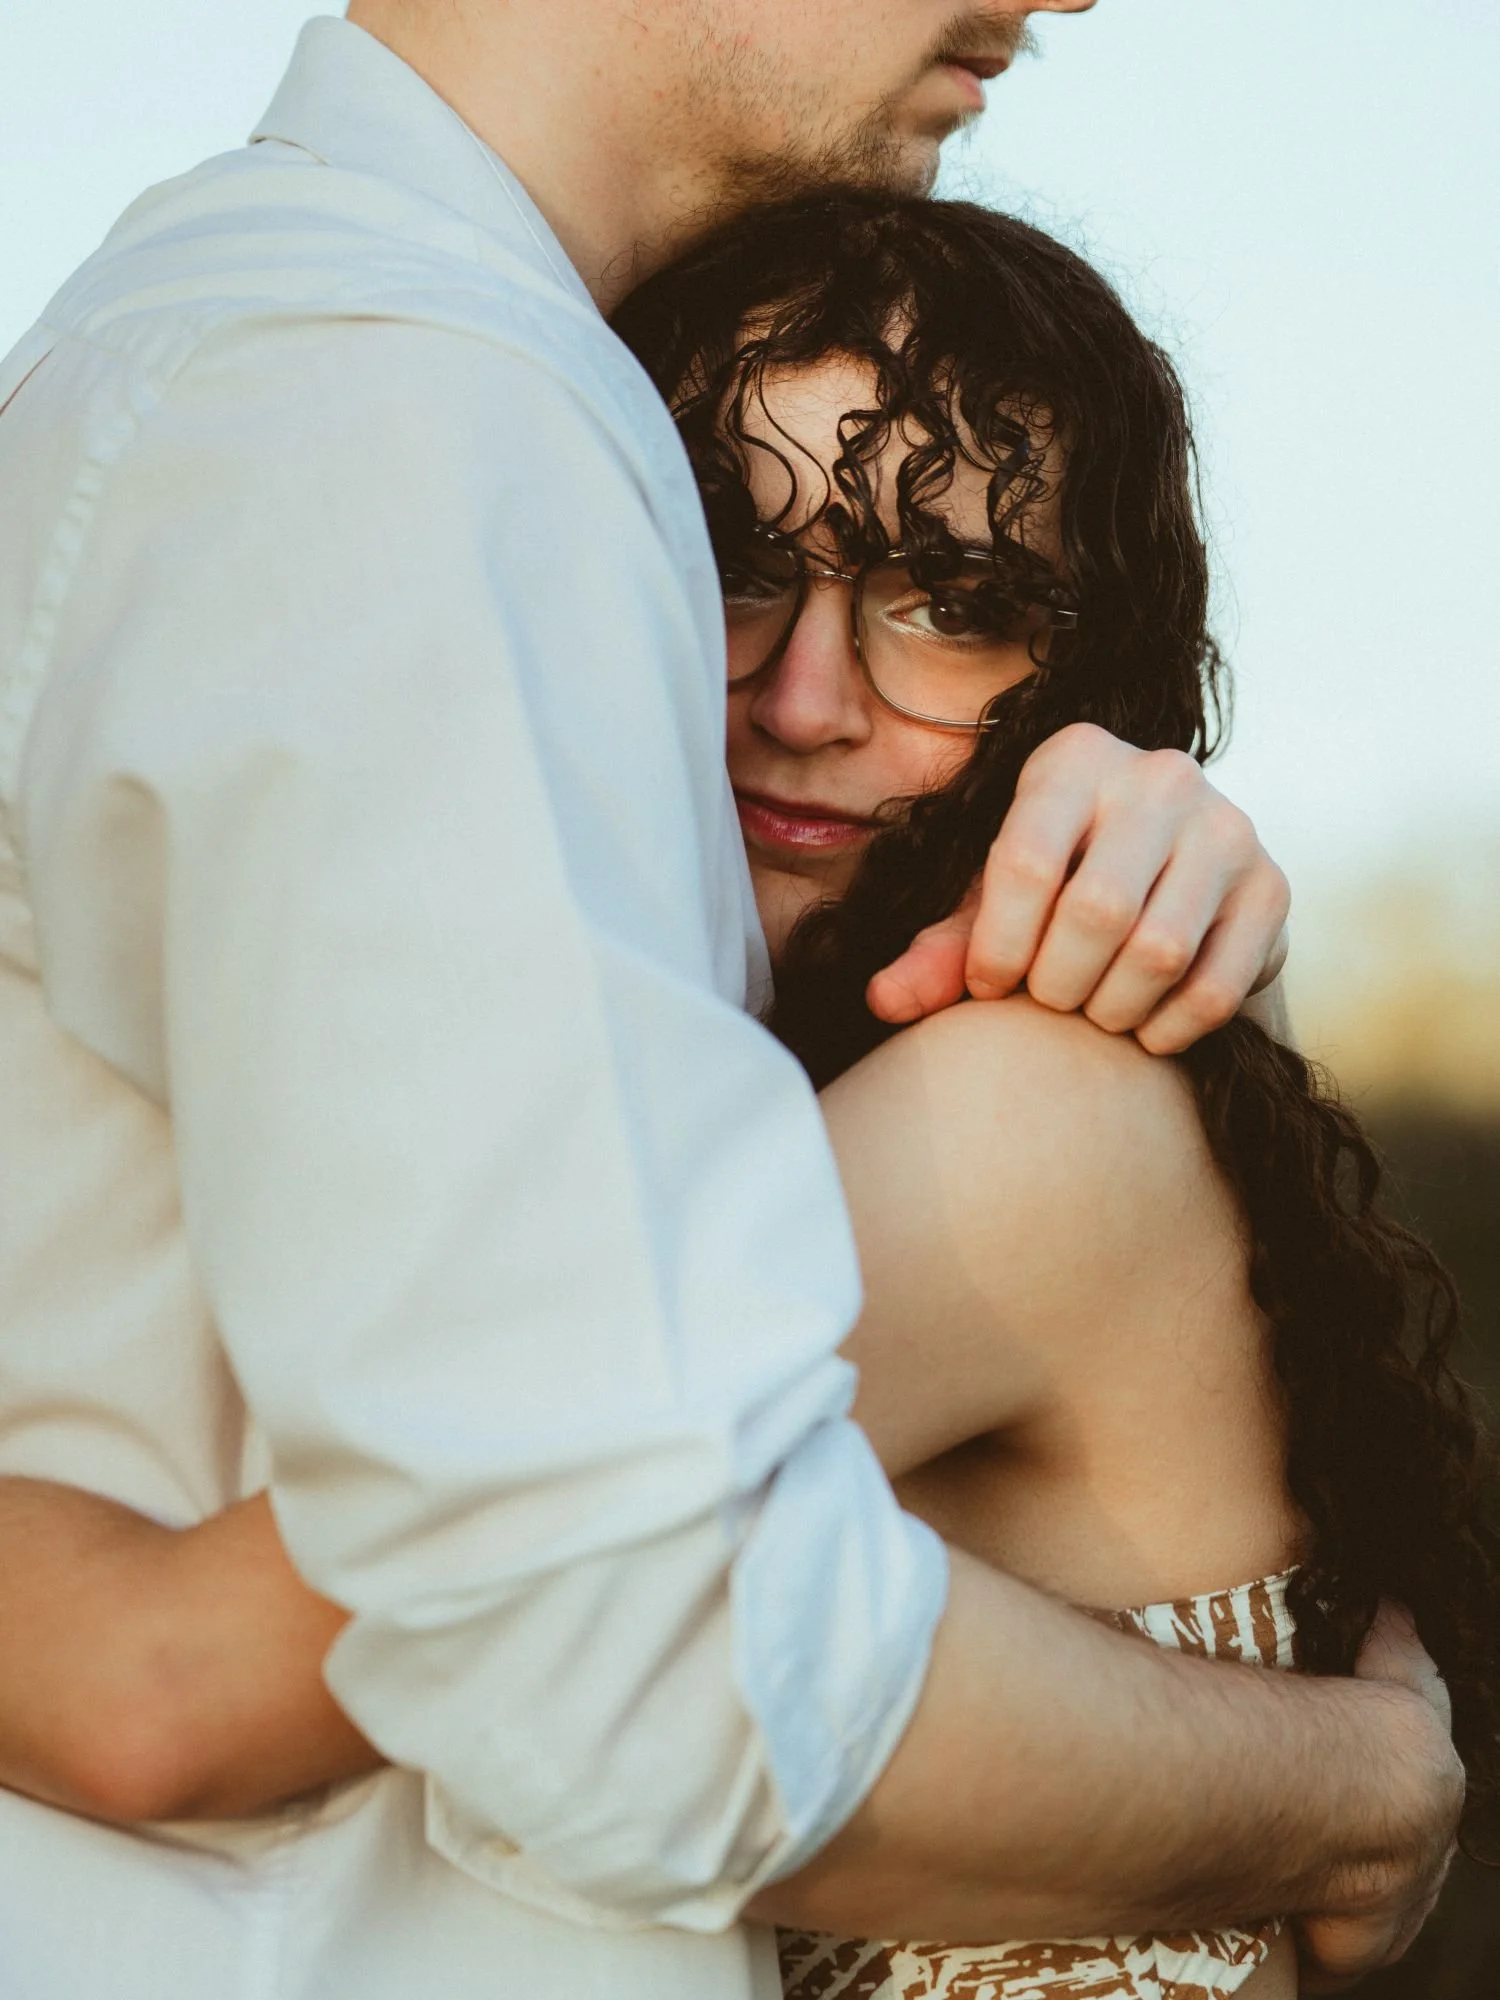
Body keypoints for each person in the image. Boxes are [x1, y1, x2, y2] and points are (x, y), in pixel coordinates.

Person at [0, 183, 1490, 2000]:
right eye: (729, 558)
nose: (801, 697)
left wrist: (1376, 1799)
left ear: (1089, 676)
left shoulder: (1024, 1123)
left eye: (951, 602)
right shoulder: (771, 1098)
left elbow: (161, 1689)